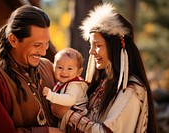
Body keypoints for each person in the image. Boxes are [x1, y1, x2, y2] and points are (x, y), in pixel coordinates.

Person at [52, 3, 158, 133]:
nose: (91, 52)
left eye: (97, 45)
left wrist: (68, 115)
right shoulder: (100, 84)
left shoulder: (131, 89)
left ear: (115, 46)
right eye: (91, 45)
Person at [0, 5, 63, 133]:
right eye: (37, 45)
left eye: (46, 43)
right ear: (13, 40)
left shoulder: (47, 67)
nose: (43, 52)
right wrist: (45, 132)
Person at [42, 48, 88, 120]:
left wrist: (51, 95)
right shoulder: (61, 83)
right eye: (60, 67)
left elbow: (70, 100)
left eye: (69, 69)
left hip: (77, 121)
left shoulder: (74, 85)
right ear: (53, 68)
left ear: (79, 72)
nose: (64, 71)